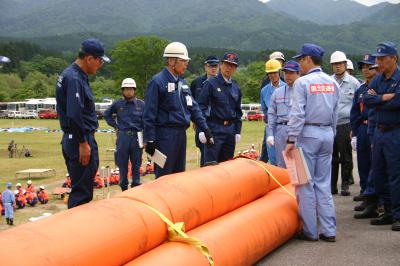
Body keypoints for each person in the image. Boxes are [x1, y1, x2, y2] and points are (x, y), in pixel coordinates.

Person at [285, 43, 340, 242]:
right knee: (324, 184)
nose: (299, 64)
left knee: (305, 183)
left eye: (301, 60)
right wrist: (331, 133)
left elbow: (297, 113)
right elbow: (335, 113)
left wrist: (291, 138)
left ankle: (310, 230)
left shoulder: (302, 83)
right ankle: (329, 230)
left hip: (307, 134)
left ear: (308, 59)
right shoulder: (332, 82)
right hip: (327, 133)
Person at [143, 42, 213, 178]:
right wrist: (150, 140)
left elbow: (194, 108)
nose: (186, 64)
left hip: (181, 135)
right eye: (182, 61)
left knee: (178, 176)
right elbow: (149, 114)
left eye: (186, 61)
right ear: (171, 61)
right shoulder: (157, 82)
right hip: (164, 136)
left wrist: (206, 129)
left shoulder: (183, 83)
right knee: (164, 177)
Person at [55, 38, 110, 208]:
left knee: (82, 187)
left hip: (73, 138)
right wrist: (83, 142)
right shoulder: (74, 79)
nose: (100, 65)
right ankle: (78, 231)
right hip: (79, 139)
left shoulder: (73, 74)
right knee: (82, 193)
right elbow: (74, 113)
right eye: (100, 60)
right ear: (89, 58)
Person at [363, 41, 400, 231]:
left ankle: (398, 214)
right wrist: (385, 97)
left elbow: (398, 103)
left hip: (396, 131)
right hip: (379, 131)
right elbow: (366, 99)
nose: (379, 62)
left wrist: (377, 99)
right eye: (377, 58)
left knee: (396, 174)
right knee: (378, 173)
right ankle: (386, 211)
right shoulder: (378, 79)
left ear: (393, 58)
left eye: (382, 58)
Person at [198, 53, 242, 164]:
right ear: (221, 65)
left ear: (235, 68)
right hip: (214, 130)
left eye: (232, 66)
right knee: (210, 166)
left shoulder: (236, 87)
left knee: (227, 166)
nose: (229, 68)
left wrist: (237, 131)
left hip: (230, 131)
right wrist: (202, 129)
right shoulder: (210, 84)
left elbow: (238, 111)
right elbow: (201, 107)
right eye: (227, 64)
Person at [104, 78, 145, 191]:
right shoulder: (118, 104)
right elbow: (106, 114)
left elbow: (146, 121)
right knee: (122, 164)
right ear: (122, 90)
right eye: (126, 89)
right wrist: (116, 126)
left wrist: (146, 138)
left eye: (131, 89)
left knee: (136, 163)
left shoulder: (141, 104)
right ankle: (123, 187)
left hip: (137, 137)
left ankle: (136, 185)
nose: (128, 91)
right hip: (123, 137)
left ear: (134, 90)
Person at [330, 51, 361, 196]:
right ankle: (332, 186)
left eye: (340, 64)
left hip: (347, 124)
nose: (337, 67)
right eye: (335, 64)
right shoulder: (328, 81)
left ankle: (345, 185)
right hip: (331, 125)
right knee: (332, 157)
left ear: (345, 64)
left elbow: (358, 106)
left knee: (346, 157)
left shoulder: (354, 83)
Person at [350, 54, 379, 203]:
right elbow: (355, 111)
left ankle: (375, 196)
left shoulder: (381, 86)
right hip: (362, 127)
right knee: (363, 162)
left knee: (376, 163)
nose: (365, 69)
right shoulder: (361, 89)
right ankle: (364, 191)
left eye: (369, 66)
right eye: (363, 67)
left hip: (376, 128)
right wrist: (354, 132)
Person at [267, 60, 300, 168]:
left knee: (298, 166)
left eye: (291, 73)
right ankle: (284, 185)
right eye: (285, 72)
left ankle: (298, 185)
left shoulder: (303, 91)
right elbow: (271, 114)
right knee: (282, 164)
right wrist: (270, 134)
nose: (287, 75)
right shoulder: (277, 92)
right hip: (280, 131)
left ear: (298, 74)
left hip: (298, 131)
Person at [190, 56, 219, 166]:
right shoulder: (196, 83)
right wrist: (194, 120)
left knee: (216, 153)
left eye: (215, 66)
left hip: (217, 123)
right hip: (201, 123)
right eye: (210, 66)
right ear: (205, 67)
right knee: (204, 153)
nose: (213, 68)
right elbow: (191, 103)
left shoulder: (222, 82)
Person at [260, 52, 285, 163]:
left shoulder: (288, 87)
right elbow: (265, 110)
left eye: (274, 73)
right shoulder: (264, 91)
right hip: (270, 127)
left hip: (285, 127)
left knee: (286, 158)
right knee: (273, 158)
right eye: (270, 73)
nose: (272, 75)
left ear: (279, 72)